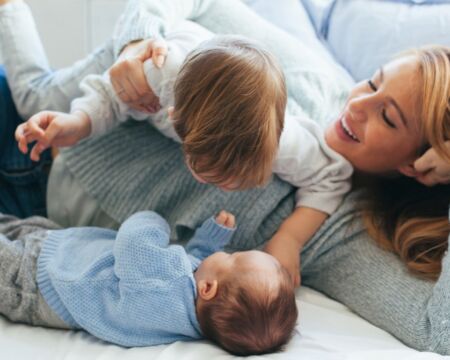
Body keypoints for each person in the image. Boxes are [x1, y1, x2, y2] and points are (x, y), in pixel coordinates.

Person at [1, 0, 450, 354]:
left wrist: (290, 239)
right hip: (47, 124)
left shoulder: (343, 233)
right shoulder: (315, 80)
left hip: (33, 206)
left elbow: (439, 333)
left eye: (388, 118)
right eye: (372, 83)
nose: (355, 105)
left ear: (420, 166)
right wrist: (139, 42)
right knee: (33, 87)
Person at [15, 21, 352, 286]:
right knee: (34, 100)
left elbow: (332, 178)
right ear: (174, 118)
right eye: (207, 171)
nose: (224, 188)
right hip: (146, 52)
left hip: (222, 67)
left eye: (238, 181)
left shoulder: (286, 142)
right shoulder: (161, 75)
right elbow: (111, 93)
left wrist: (290, 239)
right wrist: (79, 121)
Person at [0, 209, 297, 355]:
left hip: (34, 282)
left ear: (209, 289)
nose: (227, 254)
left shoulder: (164, 283)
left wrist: (155, 218)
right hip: (61, 254)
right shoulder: (191, 315)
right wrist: (211, 241)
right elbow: (194, 268)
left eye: (232, 258)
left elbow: (133, 242)